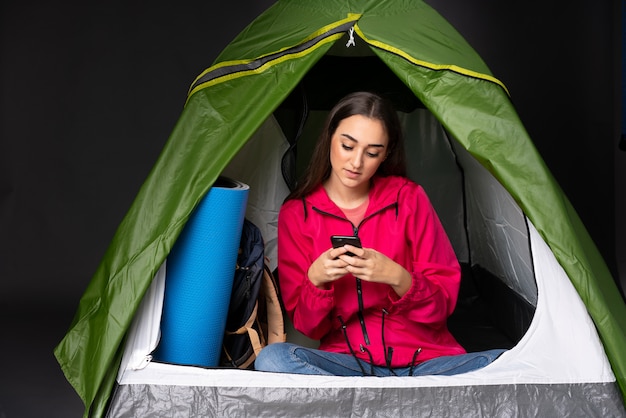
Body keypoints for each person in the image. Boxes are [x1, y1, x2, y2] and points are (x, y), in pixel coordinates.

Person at [254, 91, 504, 376]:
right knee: (272, 360)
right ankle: (398, 402)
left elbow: (440, 308)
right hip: (349, 365)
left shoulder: (409, 198)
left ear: (385, 154)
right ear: (329, 138)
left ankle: (374, 403)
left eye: (372, 152)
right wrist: (316, 280)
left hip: (426, 364)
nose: (356, 162)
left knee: (507, 363)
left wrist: (398, 277)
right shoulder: (298, 212)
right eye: (348, 146)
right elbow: (310, 327)